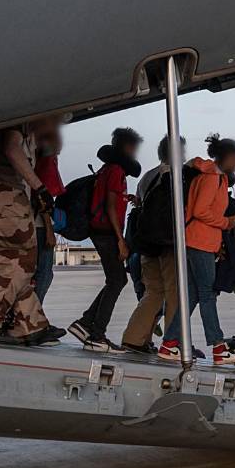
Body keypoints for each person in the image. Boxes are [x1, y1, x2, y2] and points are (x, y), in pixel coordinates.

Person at [158, 134, 235, 364]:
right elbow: (200, 211)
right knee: (208, 294)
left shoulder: (213, 176)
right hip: (200, 242)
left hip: (199, 241)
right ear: (227, 157)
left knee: (192, 296)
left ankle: (169, 344)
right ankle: (218, 347)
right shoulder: (212, 178)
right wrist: (225, 223)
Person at [69, 127, 143, 353]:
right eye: (134, 148)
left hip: (101, 230)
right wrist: (120, 240)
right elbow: (110, 206)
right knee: (117, 281)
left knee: (116, 280)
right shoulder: (116, 170)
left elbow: (110, 199)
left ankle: (86, 324)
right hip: (106, 232)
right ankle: (96, 334)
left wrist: (126, 198)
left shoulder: (107, 169)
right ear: (128, 147)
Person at [0, 119, 64, 347]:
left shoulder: (26, 131)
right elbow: (11, 149)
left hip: (8, 199)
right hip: (7, 198)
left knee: (20, 264)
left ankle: (30, 324)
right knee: (21, 261)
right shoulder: (17, 123)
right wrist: (40, 187)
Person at [120, 136, 184, 354]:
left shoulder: (147, 176)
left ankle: (134, 338)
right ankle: (173, 342)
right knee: (175, 294)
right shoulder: (178, 175)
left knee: (153, 292)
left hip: (147, 243)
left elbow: (140, 205)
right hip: (169, 242)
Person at [31, 128, 64, 303]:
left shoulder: (36, 157)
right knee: (44, 274)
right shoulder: (46, 160)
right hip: (40, 224)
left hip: (34, 222)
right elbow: (42, 197)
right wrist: (49, 229)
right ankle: (34, 313)